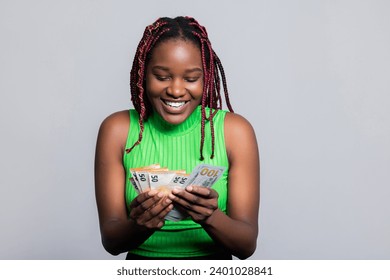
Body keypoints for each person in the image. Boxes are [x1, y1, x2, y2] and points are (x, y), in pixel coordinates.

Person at [94, 16, 260, 260]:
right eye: (162, 76)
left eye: (191, 79)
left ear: (206, 78)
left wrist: (210, 216)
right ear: (143, 75)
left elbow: (246, 246)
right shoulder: (117, 130)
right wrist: (141, 223)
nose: (176, 90)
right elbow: (111, 241)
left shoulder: (235, 132)